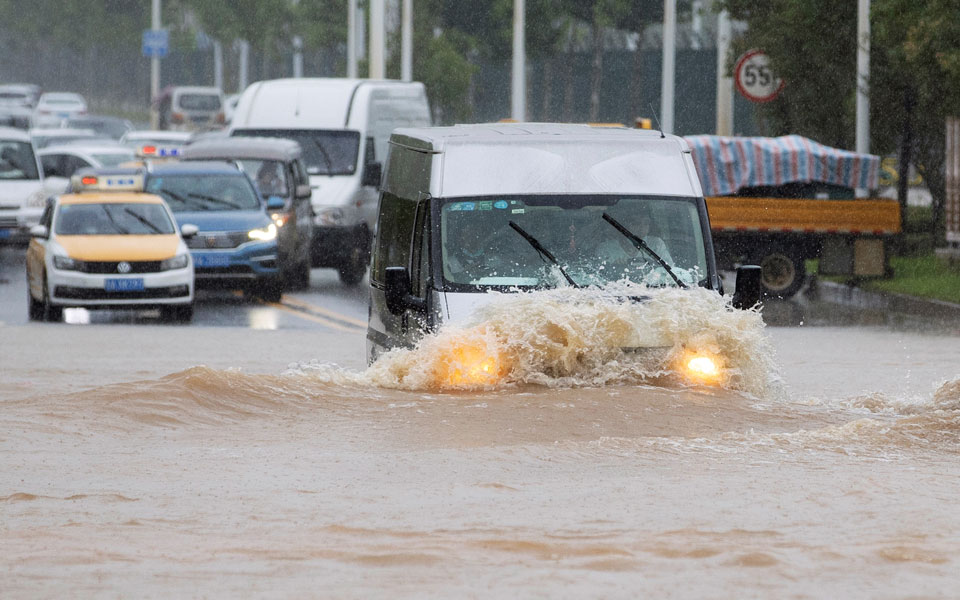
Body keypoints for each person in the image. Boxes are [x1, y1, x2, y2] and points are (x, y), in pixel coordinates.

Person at [596, 206, 673, 269]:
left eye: (646, 223)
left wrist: (654, 269)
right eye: (636, 223)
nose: (642, 228)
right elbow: (600, 277)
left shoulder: (657, 244)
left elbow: (670, 271)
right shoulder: (606, 249)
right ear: (625, 225)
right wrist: (615, 268)